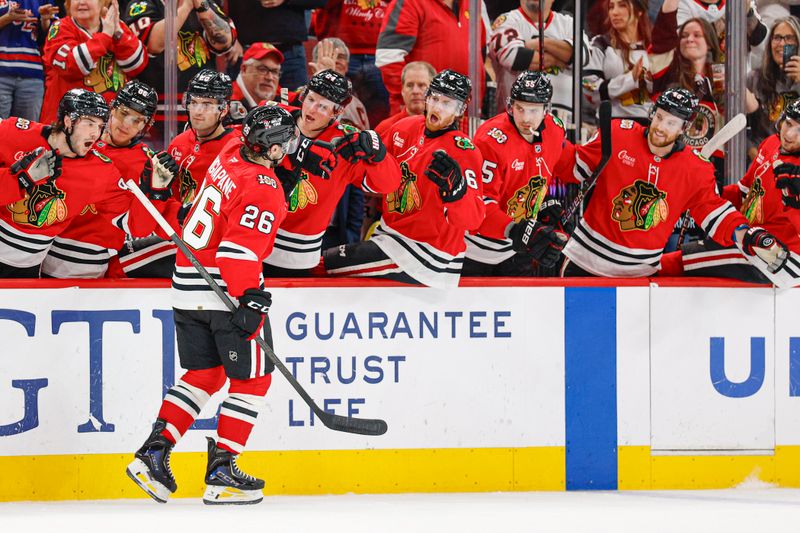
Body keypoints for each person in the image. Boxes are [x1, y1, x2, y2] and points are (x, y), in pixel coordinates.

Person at [126, 105, 297, 506]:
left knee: (205, 374)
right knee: (253, 380)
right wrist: (249, 303)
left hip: (186, 281)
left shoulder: (231, 148)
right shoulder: (265, 190)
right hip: (223, 289)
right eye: (283, 144)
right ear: (271, 149)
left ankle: (153, 454)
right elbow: (237, 254)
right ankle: (222, 472)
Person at [556, 87, 789, 279]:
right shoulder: (618, 134)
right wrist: (550, 138)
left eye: (671, 123)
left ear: (684, 128)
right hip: (584, 262)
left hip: (640, 275)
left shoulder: (695, 169)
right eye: (659, 117)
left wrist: (747, 235)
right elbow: (573, 168)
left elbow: (716, 215)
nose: (660, 127)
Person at [323, 69, 485, 289]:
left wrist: (457, 192)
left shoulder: (464, 151)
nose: (437, 107)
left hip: (429, 255)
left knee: (325, 264)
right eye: (435, 98)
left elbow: (473, 220)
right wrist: (358, 156)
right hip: (390, 237)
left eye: (447, 103)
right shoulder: (404, 127)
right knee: (325, 259)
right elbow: (374, 184)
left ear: (460, 111)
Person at [0, 88, 174, 277]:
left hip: (30, 270)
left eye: (100, 126)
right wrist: (21, 179)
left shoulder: (101, 171)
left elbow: (136, 226)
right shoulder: (14, 132)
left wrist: (156, 190)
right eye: (89, 124)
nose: (95, 133)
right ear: (68, 121)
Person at [262, 69, 400, 276]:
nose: (312, 109)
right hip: (254, 237)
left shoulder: (345, 144)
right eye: (310, 99)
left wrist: (378, 155)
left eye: (323, 106)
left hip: (296, 255)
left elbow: (388, 185)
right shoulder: (275, 116)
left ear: (336, 112)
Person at [116, 69, 240, 276]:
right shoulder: (179, 144)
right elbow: (168, 199)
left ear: (223, 109)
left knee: (121, 265)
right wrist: (156, 185)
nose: (198, 111)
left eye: (207, 105)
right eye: (194, 102)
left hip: (211, 242)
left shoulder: (234, 149)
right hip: (177, 233)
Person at [662, 98, 800, 282]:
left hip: (780, 259)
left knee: (674, 263)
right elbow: (745, 195)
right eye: (789, 124)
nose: (789, 134)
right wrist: (717, 189)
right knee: (684, 255)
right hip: (749, 239)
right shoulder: (771, 144)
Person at [464, 71, 568, 276]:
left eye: (533, 110)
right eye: (519, 108)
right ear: (511, 105)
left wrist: (544, 204)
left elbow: (539, 175)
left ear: (547, 110)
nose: (525, 118)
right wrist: (518, 230)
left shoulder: (555, 130)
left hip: (518, 251)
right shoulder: (491, 139)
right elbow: (479, 203)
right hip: (475, 253)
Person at [122, 0, 235, 147]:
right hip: (157, 118)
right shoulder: (141, 4)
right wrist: (186, 7)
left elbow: (224, 41)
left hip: (203, 112)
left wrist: (201, 7)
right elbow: (155, 43)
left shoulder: (204, 4)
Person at [41, 0, 147, 123]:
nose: (81, 2)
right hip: (67, 123)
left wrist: (117, 32)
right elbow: (71, 65)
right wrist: (106, 35)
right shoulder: (60, 27)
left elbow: (137, 65)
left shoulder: (117, 26)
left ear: (103, 3)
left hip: (107, 124)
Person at [375, 0, 486, 114]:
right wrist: (414, 99)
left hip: (466, 114)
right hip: (422, 117)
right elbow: (388, 58)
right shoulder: (409, 2)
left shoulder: (475, 3)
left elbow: (482, 55)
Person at [488, 0, 582, 119]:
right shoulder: (507, 21)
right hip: (517, 119)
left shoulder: (569, 23)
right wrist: (560, 59)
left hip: (564, 121)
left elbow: (582, 57)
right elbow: (515, 57)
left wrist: (541, 43)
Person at [311, 0, 391, 126]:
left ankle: (375, 140)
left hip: (380, 52)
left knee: (380, 107)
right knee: (330, 95)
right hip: (340, 50)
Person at [226, 0, 326, 91]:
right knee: (237, 106)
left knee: (296, 106)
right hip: (245, 52)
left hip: (290, 52)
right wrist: (230, 36)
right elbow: (216, 6)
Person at [582, 0, 654, 121]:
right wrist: (631, 79)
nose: (614, 12)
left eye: (622, 5)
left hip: (648, 125)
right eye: (611, 7)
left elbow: (665, 88)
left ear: (639, 10)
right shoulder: (601, 44)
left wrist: (647, 80)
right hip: (611, 122)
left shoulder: (654, 47)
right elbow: (590, 89)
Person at [747, 16, 800, 153]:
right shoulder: (754, 79)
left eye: (789, 38)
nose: (782, 44)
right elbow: (741, 126)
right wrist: (754, 153)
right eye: (777, 38)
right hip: (763, 156)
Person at [0, 0, 59, 121]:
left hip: (33, 74)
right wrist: (7, 18)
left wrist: (44, 19)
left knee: (26, 132)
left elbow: (51, 39)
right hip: (1, 72)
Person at [374, 60, 435, 139]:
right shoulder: (384, 129)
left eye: (421, 85)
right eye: (409, 85)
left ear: (433, 91)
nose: (415, 91)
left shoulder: (444, 128)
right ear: (402, 90)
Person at [230, 42, 284, 122]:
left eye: (275, 71)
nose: (269, 77)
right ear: (244, 69)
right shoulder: (227, 101)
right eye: (262, 69)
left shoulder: (281, 95)